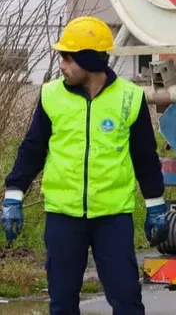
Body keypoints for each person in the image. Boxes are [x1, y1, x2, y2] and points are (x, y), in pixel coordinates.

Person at [0, 16, 167, 314]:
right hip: (63, 217)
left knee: (127, 301)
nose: (61, 64)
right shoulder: (51, 95)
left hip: (112, 217)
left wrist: (155, 204)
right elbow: (32, 149)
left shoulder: (130, 98)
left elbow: (145, 156)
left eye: (67, 57)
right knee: (62, 304)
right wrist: (14, 195)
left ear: (89, 60)